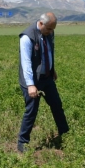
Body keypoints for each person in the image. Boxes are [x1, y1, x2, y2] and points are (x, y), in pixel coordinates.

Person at [17, 12, 69, 152]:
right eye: (49, 29)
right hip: (32, 81)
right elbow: (26, 63)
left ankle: (65, 133)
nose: (51, 32)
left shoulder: (49, 33)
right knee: (31, 111)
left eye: (53, 29)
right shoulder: (27, 37)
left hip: (47, 78)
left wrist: (52, 69)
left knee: (57, 105)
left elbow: (49, 52)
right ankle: (22, 143)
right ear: (41, 23)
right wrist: (31, 85)